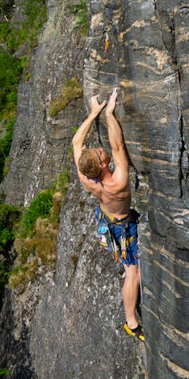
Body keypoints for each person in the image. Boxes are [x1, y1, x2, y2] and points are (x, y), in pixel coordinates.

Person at [72, 86, 143, 341]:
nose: (98, 148)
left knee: (130, 270)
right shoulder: (118, 181)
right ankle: (131, 321)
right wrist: (110, 114)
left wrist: (93, 114)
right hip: (123, 228)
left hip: (105, 223)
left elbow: (76, 142)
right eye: (98, 152)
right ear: (102, 164)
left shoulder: (87, 177)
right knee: (132, 272)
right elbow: (117, 145)